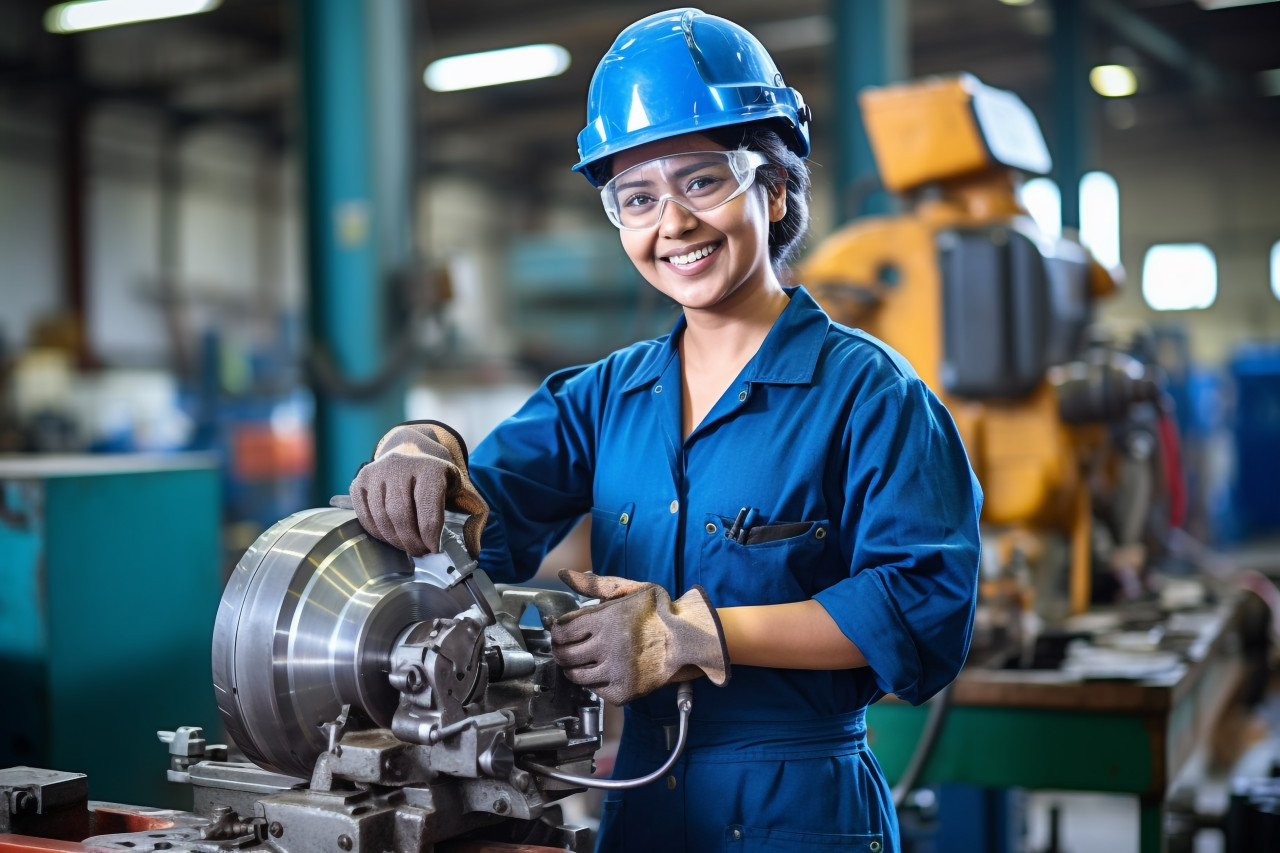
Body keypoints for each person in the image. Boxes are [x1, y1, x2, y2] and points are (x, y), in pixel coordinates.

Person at [350, 9, 982, 852]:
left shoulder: (872, 396)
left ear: (776, 187)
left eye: (703, 181)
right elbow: (475, 525)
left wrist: (701, 632)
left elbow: (923, 606)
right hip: (642, 801)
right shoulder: (607, 395)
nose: (672, 224)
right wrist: (418, 443)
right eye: (637, 197)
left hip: (804, 811)